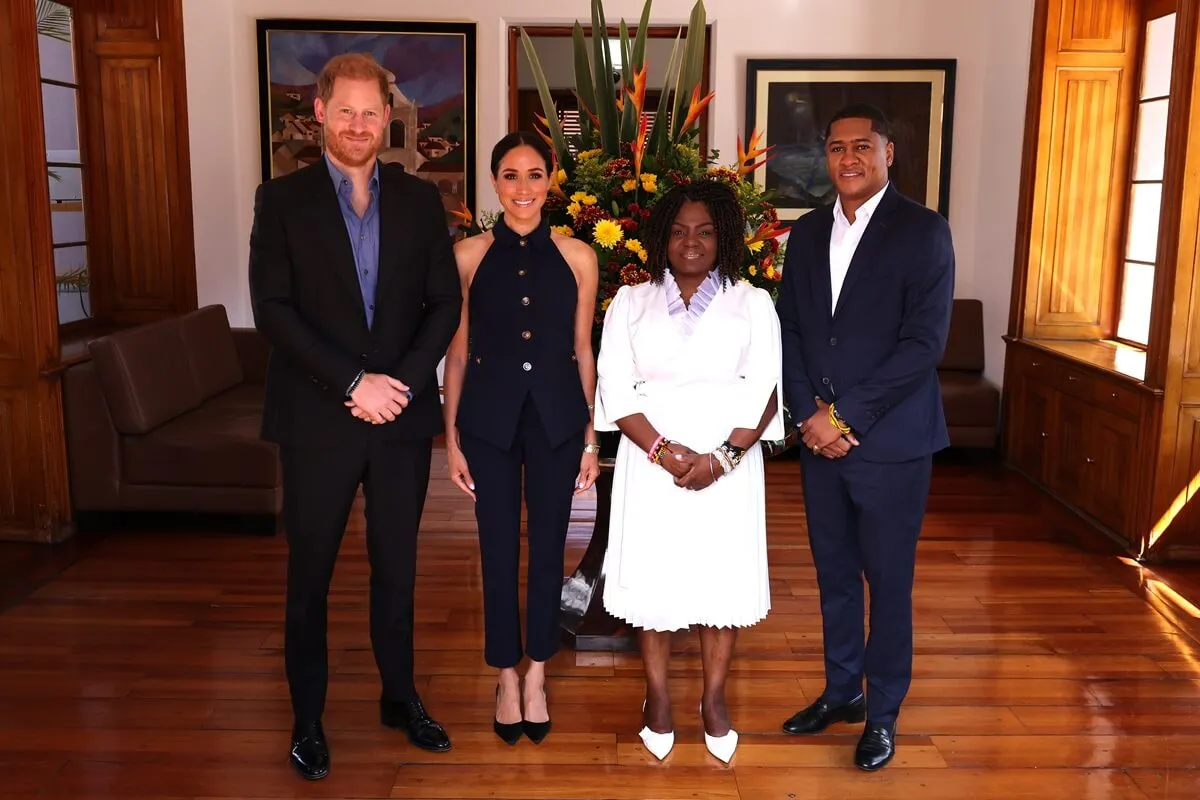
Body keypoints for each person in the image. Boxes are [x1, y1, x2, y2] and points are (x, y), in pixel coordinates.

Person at [248, 53, 461, 780]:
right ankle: (307, 719)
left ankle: (399, 698)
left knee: (396, 569)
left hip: (398, 415)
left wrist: (394, 383)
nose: (360, 125)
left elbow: (444, 304)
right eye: (347, 111)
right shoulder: (281, 201)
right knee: (310, 575)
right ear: (320, 111)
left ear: (386, 118)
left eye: (373, 112)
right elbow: (272, 310)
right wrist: (351, 382)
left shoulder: (419, 200)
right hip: (316, 419)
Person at [775, 103, 955, 771]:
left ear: (888, 154)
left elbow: (921, 346)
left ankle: (882, 715)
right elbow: (789, 328)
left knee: (888, 581)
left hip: (890, 445)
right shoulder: (808, 232)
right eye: (836, 148)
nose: (848, 158)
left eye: (862, 146)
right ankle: (841, 691)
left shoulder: (923, 231)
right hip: (820, 442)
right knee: (834, 578)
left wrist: (842, 417)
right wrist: (806, 415)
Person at [595, 180, 783, 764]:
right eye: (678, 231)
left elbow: (767, 389)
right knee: (656, 583)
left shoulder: (752, 302)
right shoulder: (631, 301)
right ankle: (656, 698)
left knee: (718, 583)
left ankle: (714, 700)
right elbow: (615, 383)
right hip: (652, 460)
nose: (691, 242)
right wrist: (664, 452)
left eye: (703, 231)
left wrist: (721, 458)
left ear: (723, 235)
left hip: (728, 461)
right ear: (660, 238)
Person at [442, 132, 601, 745]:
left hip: (559, 418)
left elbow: (583, 351)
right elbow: (457, 355)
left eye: (536, 175)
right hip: (487, 420)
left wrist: (589, 435)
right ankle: (505, 674)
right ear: (494, 182)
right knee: (497, 548)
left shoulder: (580, 257)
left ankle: (538, 671)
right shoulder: (467, 256)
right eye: (511, 176)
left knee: (548, 550)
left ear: (551, 180)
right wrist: (451, 437)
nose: (524, 188)